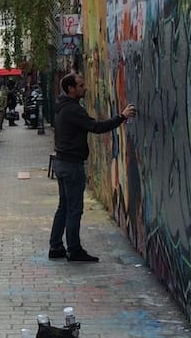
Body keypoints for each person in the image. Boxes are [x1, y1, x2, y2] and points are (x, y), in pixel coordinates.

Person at [48, 72, 136, 262]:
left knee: (64, 206)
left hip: (62, 161)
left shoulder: (61, 107)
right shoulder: (73, 109)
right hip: (71, 165)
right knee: (73, 209)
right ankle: (74, 249)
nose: (84, 87)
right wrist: (122, 117)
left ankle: (56, 246)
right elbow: (96, 127)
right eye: (80, 85)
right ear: (71, 89)